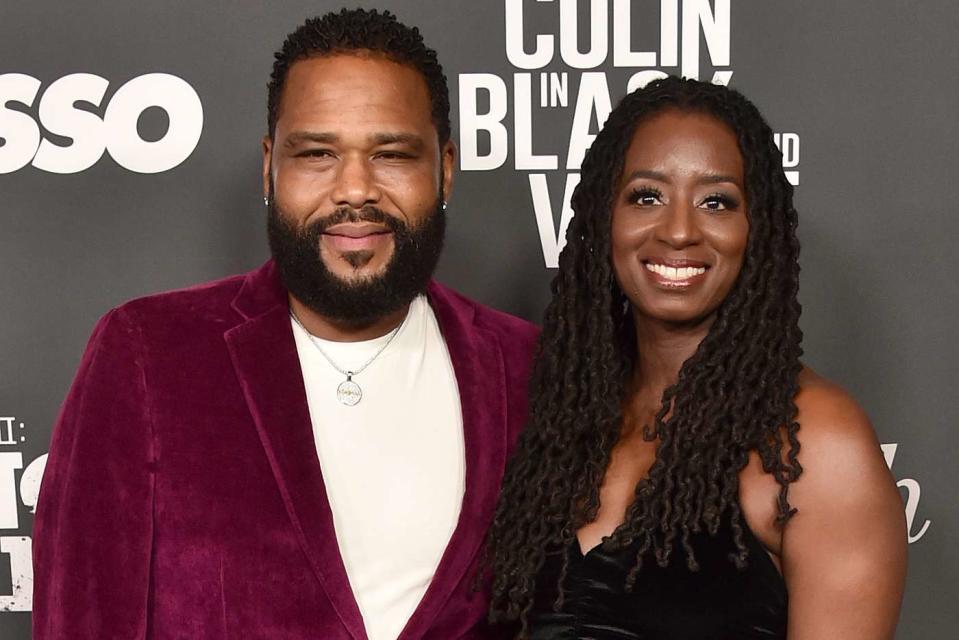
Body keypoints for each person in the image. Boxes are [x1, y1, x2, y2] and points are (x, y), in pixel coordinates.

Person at [33, 9, 537, 640]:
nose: (355, 189)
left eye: (391, 153)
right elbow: (85, 617)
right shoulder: (148, 353)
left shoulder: (526, 369)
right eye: (318, 153)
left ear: (446, 169)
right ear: (270, 166)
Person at [484, 77, 906, 639]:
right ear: (602, 218)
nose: (679, 230)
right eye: (646, 196)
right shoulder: (562, 422)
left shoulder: (815, 442)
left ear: (757, 229)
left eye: (716, 201)